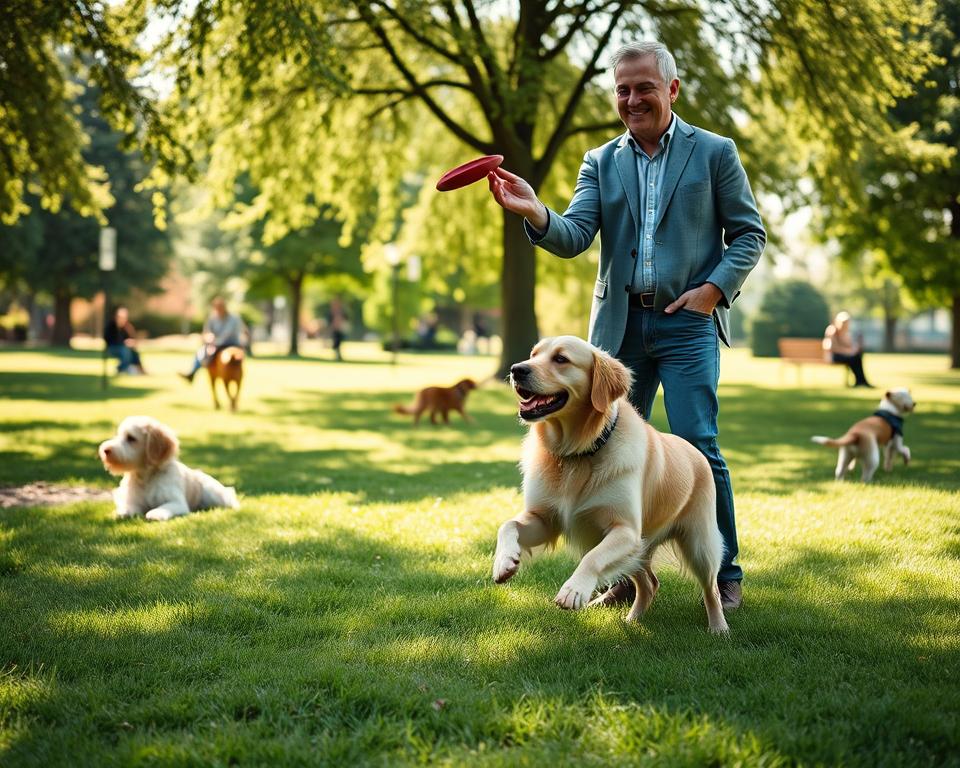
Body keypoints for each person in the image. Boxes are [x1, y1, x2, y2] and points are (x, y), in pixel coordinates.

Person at [487, 41, 765, 611]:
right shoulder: (600, 161)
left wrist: (712, 291)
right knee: (601, 446)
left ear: (672, 89)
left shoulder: (714, 152)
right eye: (622, 89)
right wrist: (536, 210)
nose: (632, 99)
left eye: (643, 87)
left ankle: (726, 572)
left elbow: (749, 233)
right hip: (616, 330)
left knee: (698, 446)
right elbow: (573, 235)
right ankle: (619, 569)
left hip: (687, 323)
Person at [180, 296, 248, 383]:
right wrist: (208, 337)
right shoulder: (212, 318)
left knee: (235, 356)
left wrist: (215, 342)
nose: (218, 310)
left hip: (231, 343)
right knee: (201, 352)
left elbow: (227, 334)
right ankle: (193, 372)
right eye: (216, 308)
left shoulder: (233, 319)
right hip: (216, 343)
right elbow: (207, 331)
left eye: (220, 307)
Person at [823, 311, 873, 387]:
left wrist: (854, 349)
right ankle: (861, 381)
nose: (845, 324)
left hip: (843, 355)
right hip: (834, 356)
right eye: (843, 322)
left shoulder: (845, 333)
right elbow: (831, 348)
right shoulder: (832, 330)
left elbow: (849, 346)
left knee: (856, 357)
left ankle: (860, 381)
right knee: (855, 359)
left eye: (846, 322)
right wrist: (848, 352)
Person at [103, 306, 145, 375]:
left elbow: (132, 338)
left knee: (134, 352)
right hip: (112, 348)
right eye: (120, 317)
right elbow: (108, 339)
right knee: (125, 351)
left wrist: (131, 342)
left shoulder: (127, 327)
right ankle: (121, 369)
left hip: (124, 348)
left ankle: (140, 369)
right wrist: (123, 343)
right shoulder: (111, 326)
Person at [327, 296, 348, 361]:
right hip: (334, 329)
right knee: (336, 342)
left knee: (339, 341)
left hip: (340, 329)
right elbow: (329, 320)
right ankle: (336, 354)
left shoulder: (342, 311)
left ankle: (338, 355)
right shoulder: (332, 312)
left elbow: (346, 318)